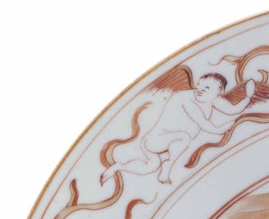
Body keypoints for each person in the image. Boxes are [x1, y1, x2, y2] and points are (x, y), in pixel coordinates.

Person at [101, 72, 256, 186]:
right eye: (199, 85)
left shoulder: (212, 99)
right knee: (184, 137)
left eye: (207, 87)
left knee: (150, 166)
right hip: (155, 141)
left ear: (219, 91)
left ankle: (118, 167)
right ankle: (167, 168)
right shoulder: (187, 100)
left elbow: (232, 110)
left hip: (168, 142)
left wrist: (248, 96)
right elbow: (205, 125)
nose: (200, 89)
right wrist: (222, 128)